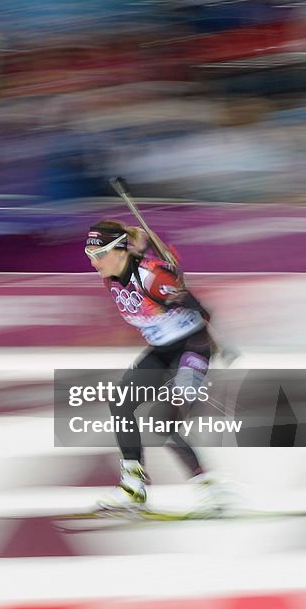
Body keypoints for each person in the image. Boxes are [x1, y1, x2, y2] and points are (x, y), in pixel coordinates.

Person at [85, 219, 229, 513]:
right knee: (121, 401)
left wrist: (174, 286)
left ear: (120, 252)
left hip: (192, 348)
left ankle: (211, 489)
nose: (94, 262)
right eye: (90, 256)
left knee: (164, 422)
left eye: (99, 255)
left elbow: (202, 312)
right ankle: (133, 486)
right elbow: (138, 253)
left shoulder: (153, 277)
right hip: (163, 350)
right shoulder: (114, 275)